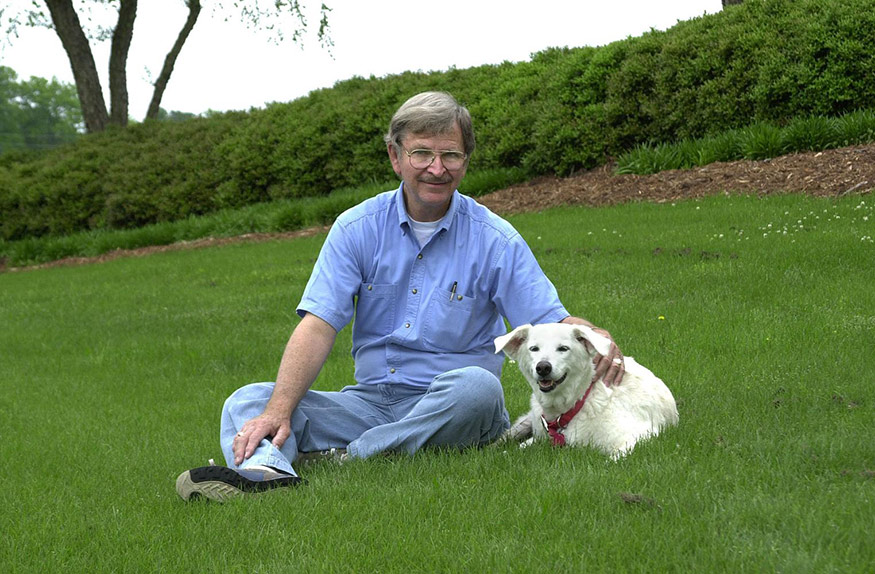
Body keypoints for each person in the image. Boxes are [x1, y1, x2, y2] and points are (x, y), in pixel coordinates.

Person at [176, 91, 625, 502]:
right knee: (248, 400)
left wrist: (591, 335)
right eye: (422, 153)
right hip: (369, 402)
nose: (437, 167)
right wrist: (278, 409)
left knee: (479, 387)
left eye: (451, 154)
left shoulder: (496, 240)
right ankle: (266, 472)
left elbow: (549, 319)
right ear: (395, 156)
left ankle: (346, 457)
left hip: (453, 406)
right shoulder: (355, 228)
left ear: (465, 161)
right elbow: (318, 324)